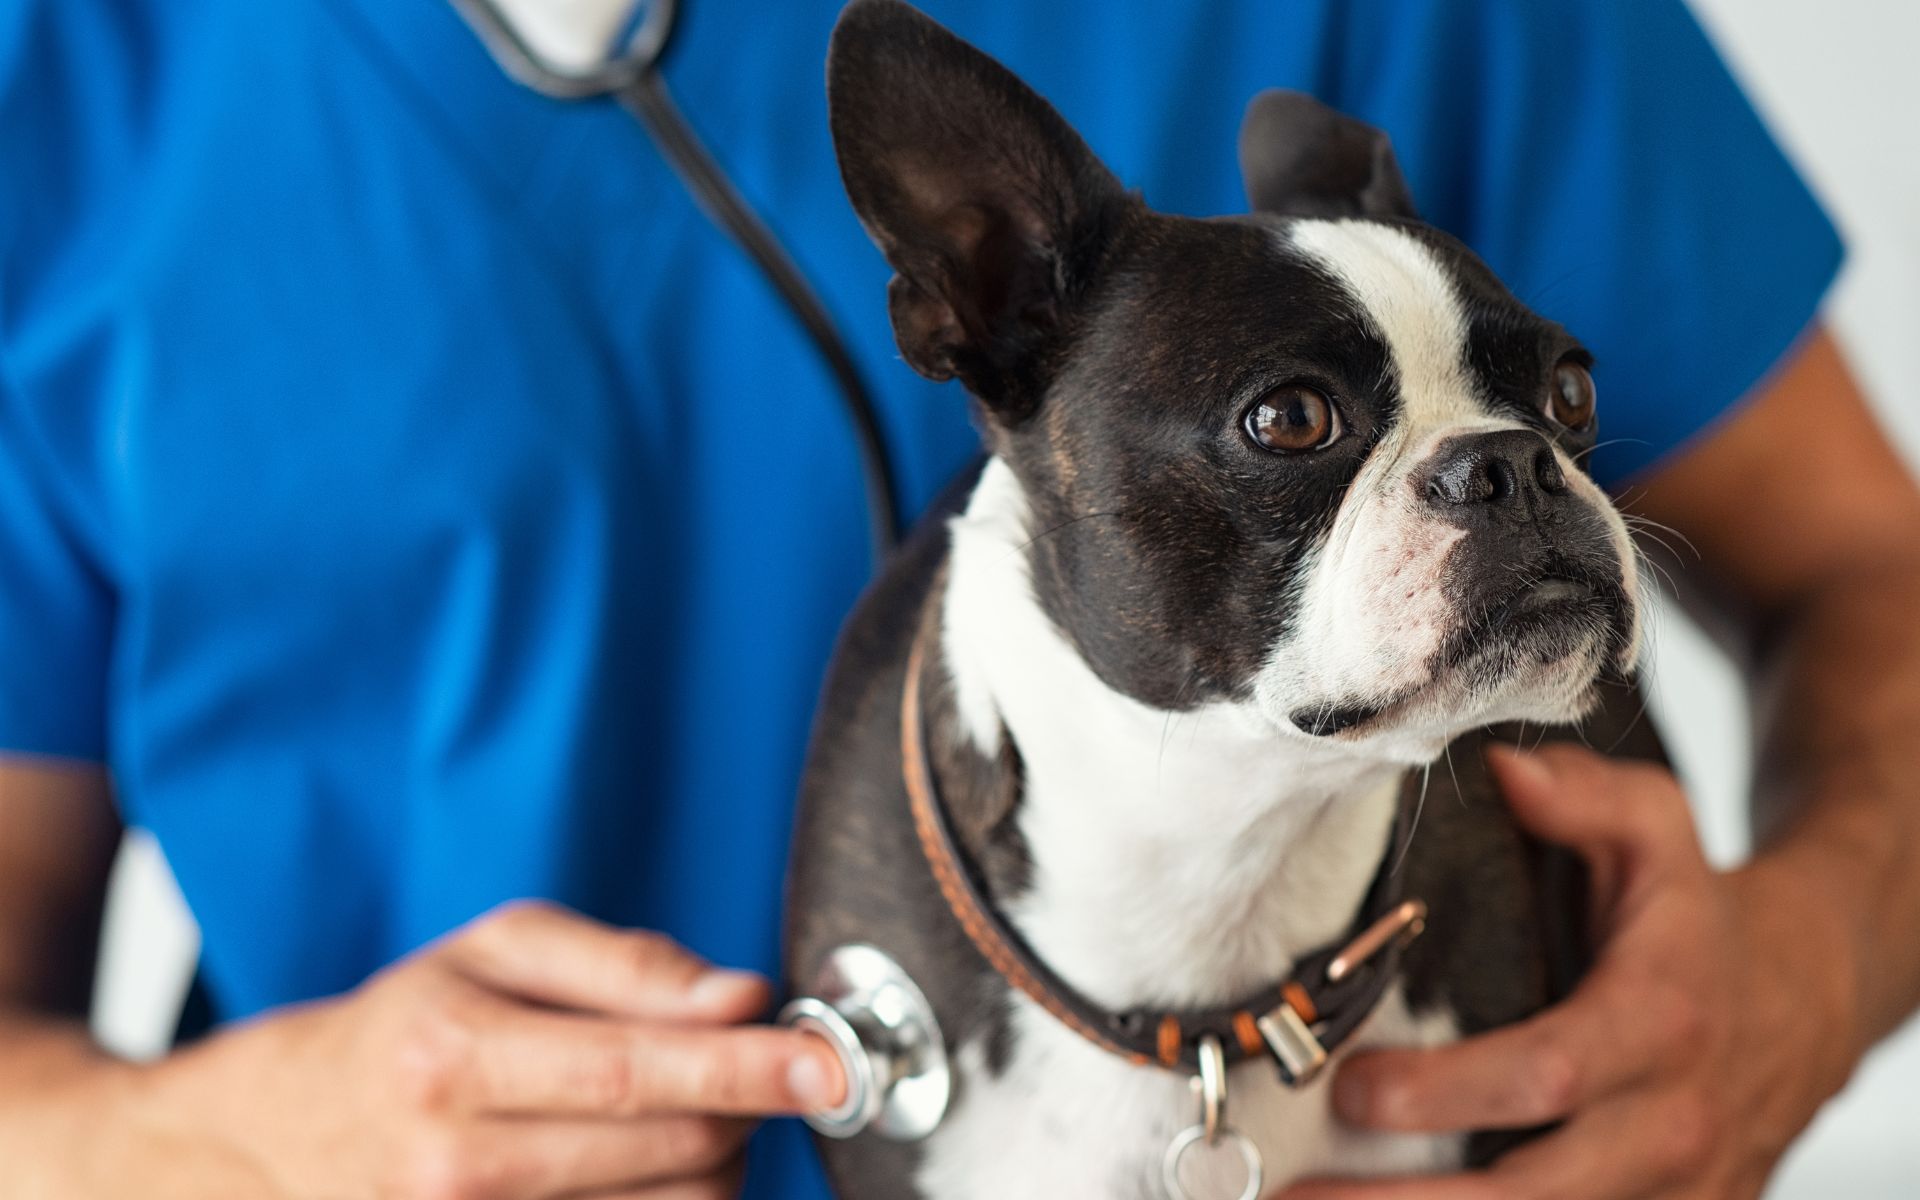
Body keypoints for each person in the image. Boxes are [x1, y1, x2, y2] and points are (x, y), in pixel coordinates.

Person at [1, 0, 1915, 1197]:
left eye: (1552, 410)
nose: (1519, 458)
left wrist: (1810, 962)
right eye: (1296, 416)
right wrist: (201, 1150)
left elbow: (1873, 567)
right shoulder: (58, 95)